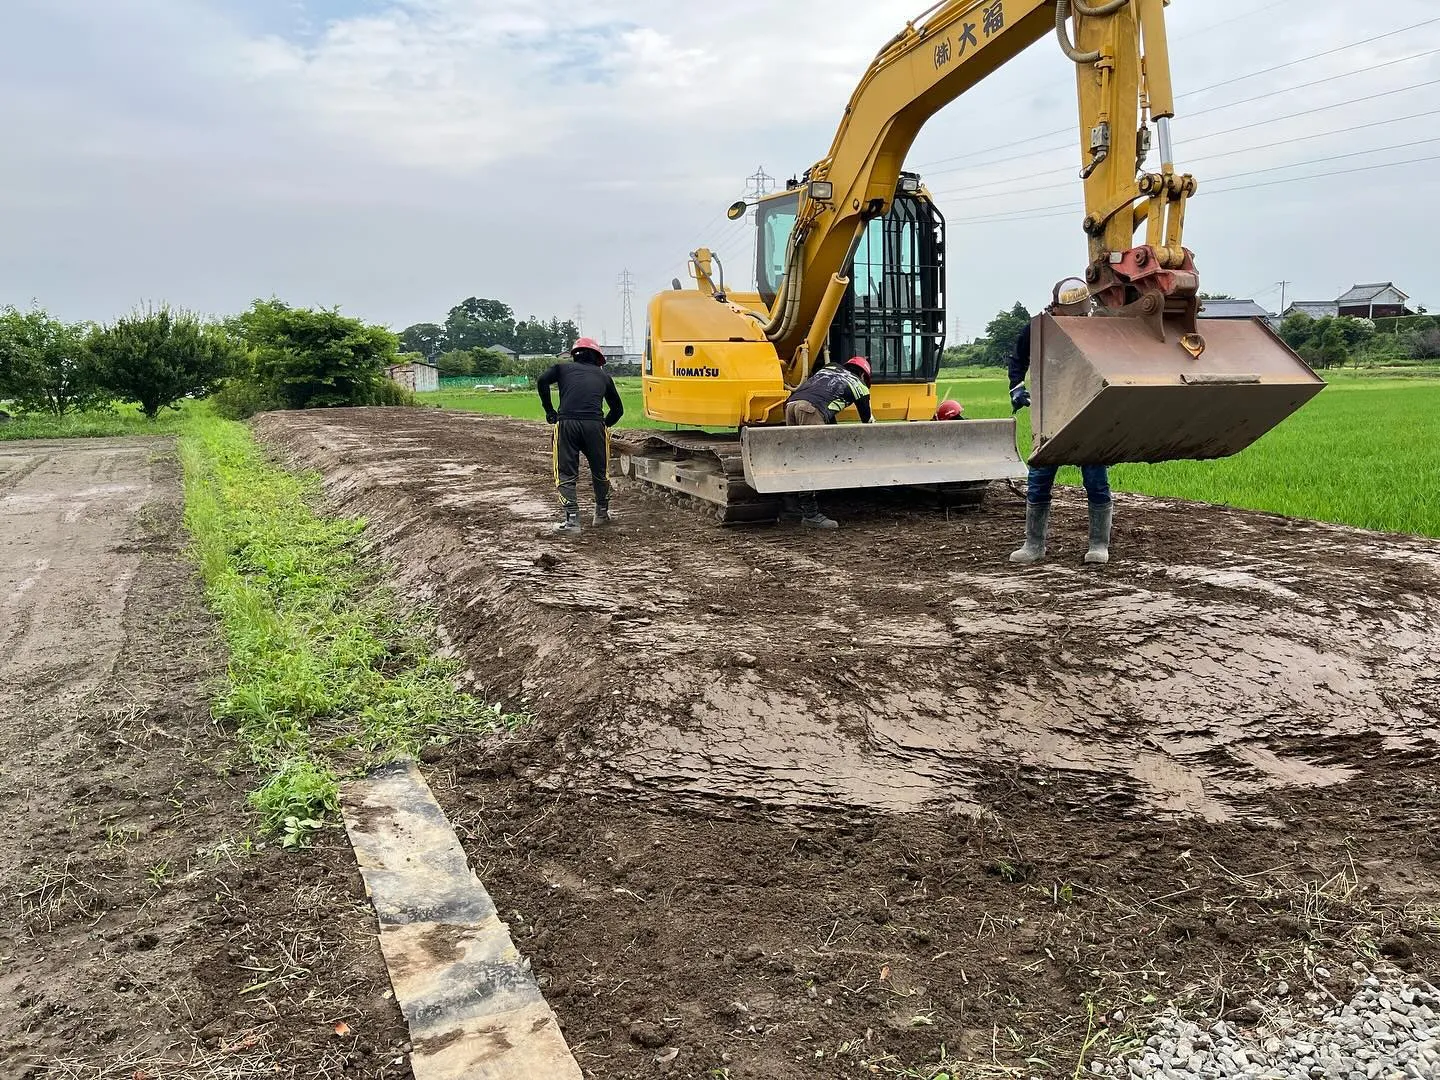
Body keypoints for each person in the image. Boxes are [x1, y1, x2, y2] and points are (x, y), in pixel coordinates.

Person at [1007, 291, 1113, 565]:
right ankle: (1034, 545)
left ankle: (1099, 544)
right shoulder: (1039, 327)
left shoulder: (1094, 328)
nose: (1080, 318)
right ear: (1058, 308)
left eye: (1083, 313)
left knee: (1095, 481)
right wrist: (1016, 388)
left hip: (1088, 412)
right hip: (1052, 413)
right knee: (1039, 479)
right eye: (1075, 314)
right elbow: (1018, 358)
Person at [537, 337, 624, 535]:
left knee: (566, 473)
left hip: (567, 424)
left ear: (574, 355)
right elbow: (618, 410)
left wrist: (550, 410)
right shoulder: (604, 377)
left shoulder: (561, 369)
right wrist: (604, 425)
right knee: (600, 472)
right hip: (595, 426)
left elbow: (542, 381)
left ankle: (572, 521)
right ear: (597, 358)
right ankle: (601, 514)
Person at [781, 356, 874, 529]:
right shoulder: (859, 386)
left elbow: (825, 402)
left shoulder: (830, 368)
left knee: (797, 458)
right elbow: (868, 422)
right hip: (810, 409)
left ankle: (790, 508)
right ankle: (811, 515)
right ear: (863, 375)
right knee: (812, 461)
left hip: (792, 405)